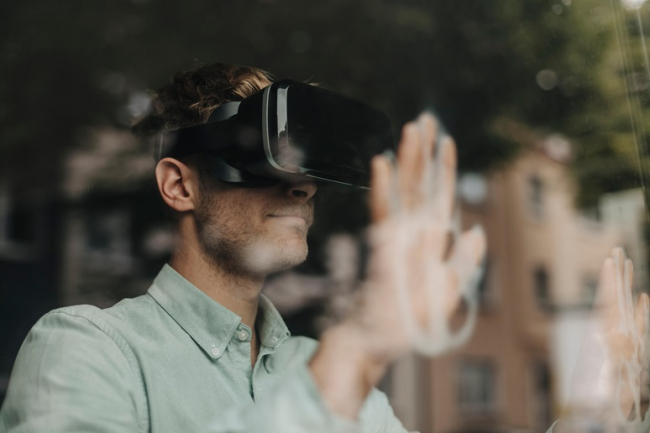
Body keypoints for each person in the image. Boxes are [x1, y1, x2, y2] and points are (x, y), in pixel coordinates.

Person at [0, 63, 486, 433]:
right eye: (264, 158)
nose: (303, 188)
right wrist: (353, 356)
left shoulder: (323, 369)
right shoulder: (86, 349)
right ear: (179, 186)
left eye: (306, 168)